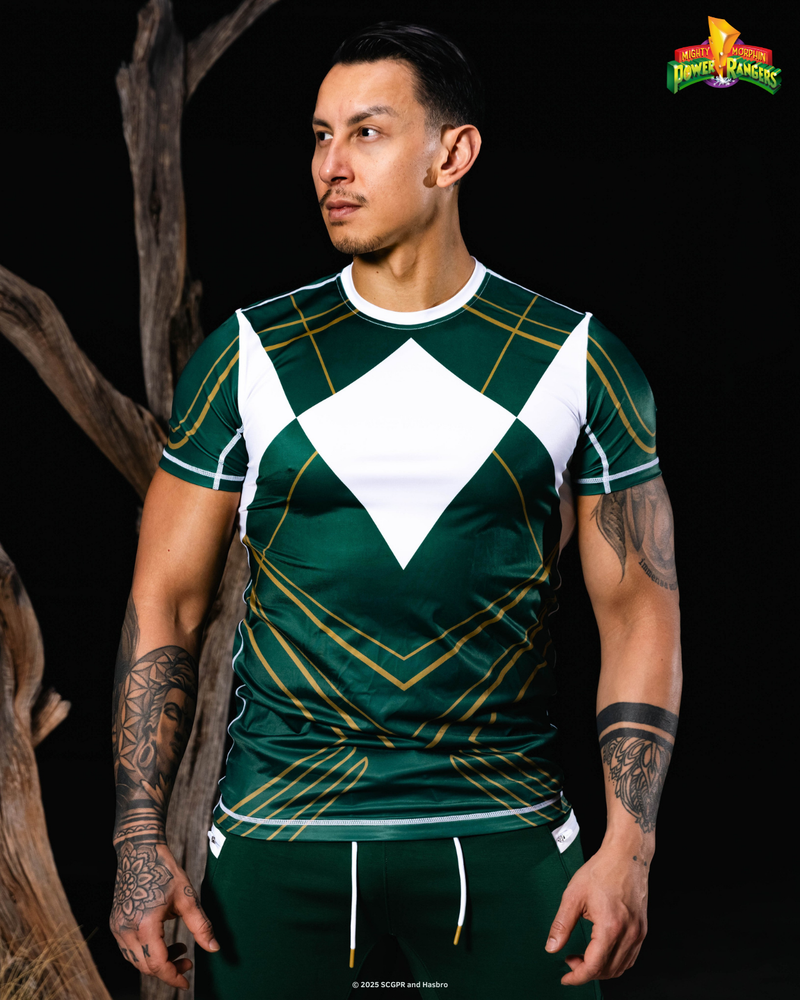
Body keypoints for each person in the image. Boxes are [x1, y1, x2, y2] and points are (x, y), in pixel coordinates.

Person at [110, 21, 681, 1000]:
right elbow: (165, 602)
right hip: (280, 839)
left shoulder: (574, 358)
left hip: (503, 837)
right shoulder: (248, 354)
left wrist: (630, 846)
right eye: (319, 136)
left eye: (366, 133)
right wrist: (135, 837)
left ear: (452, 155)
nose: (330, 165)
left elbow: (637, 610)